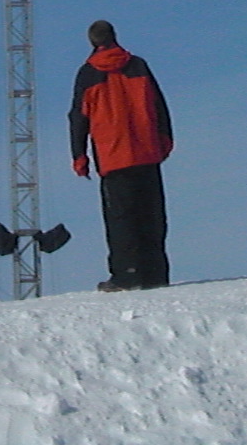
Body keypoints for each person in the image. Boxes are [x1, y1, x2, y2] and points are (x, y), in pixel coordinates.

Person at [69, 20, 174, 292]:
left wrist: (79, 155)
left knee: (121, 219)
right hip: (147, 151)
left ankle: (127, 275)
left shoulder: (88, 74)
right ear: (115, 36)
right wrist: (165, 139)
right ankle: (156, 274)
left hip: (113, 156)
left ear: (92, 41)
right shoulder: (138, 65)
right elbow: (158, 103)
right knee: (152, 215)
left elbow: (78, 117)